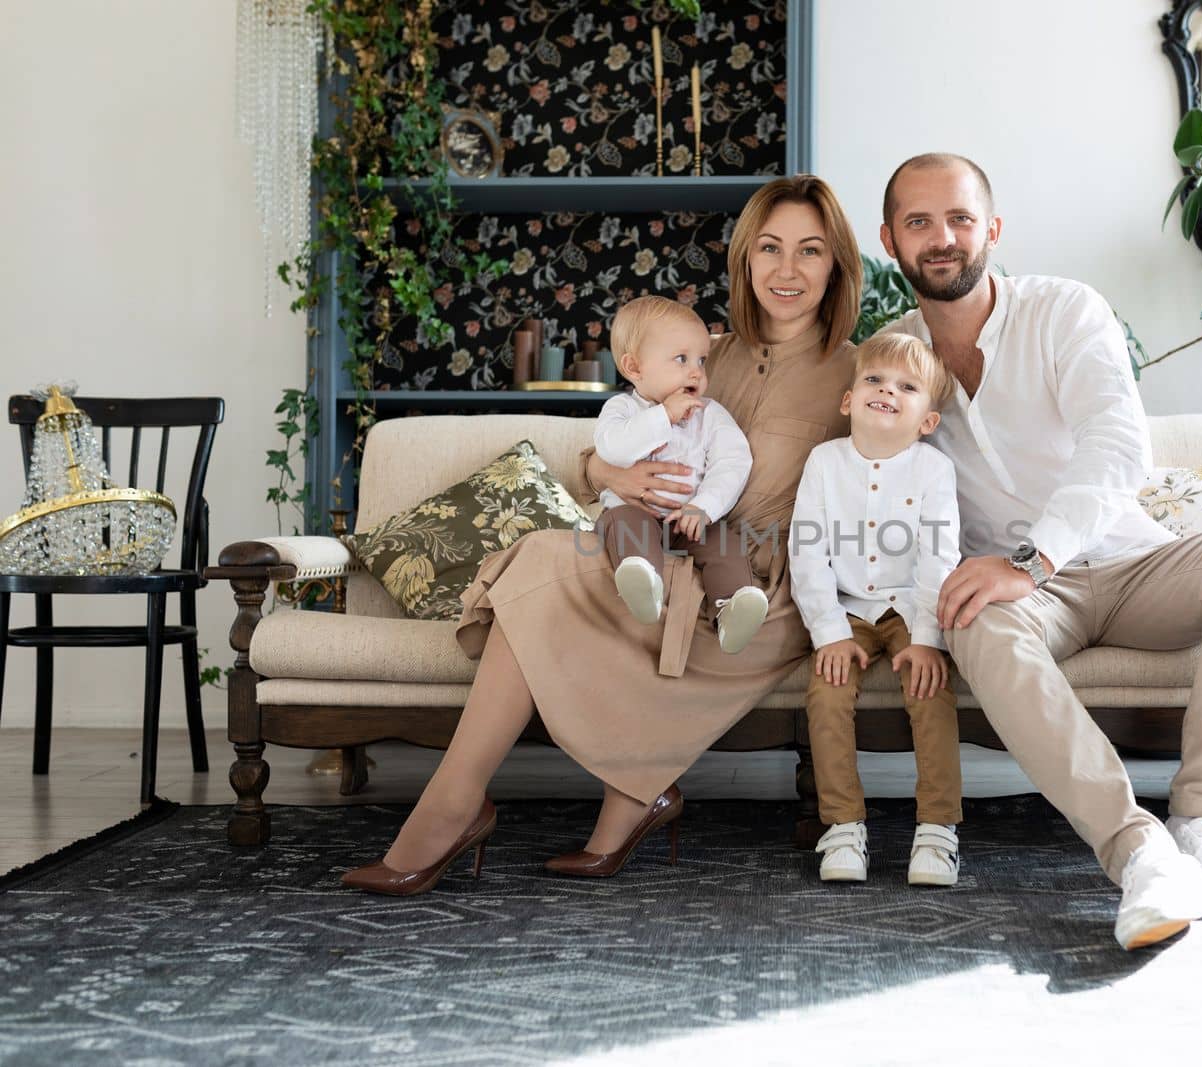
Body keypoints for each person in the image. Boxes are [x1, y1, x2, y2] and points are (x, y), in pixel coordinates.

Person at [342, 174, 863, 893]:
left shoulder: (860, 371)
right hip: (657, 550)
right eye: (769, 247)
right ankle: (464, 800)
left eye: (810, 250)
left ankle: (485, 808)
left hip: (757, 590)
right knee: (544, 562)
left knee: (544, 565)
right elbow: (612, 446)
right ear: (745, 258)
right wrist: (603, 470)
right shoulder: (699, 350)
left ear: (837, 262)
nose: (787, 269)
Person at [876, 153, 1202, 949]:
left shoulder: (1064, 311)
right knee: (971, 616)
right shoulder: (890, 359)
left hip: (1131, 563)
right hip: (1028, 598)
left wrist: (1031, 559)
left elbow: (1118, 445)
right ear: (891, 241)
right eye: (919, 222)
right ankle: (1139, 850)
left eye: (960, 218)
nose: (943, 238)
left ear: (992, 231)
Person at [788, 332, 963, 886]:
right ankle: (842, 826)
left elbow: (940, 557)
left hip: (912, 607)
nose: (887, 390)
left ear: (927, 421)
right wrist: (829, 633)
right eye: (874, 380)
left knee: (929, 691)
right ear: (849, 400)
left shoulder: (934, 470)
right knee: (826, 690)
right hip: (847, 609)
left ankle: (938, 830)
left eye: (907, 387)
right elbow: (807, 550)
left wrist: (927, 639)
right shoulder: (824, 462)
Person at [594, 295, 768, 654]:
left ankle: (731, 609)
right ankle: (645, 583)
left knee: (725, 544)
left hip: (690, 519)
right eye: (681, 359)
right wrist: (665, 417)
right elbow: (613, 449)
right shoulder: (622, 409)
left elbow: (733, 461)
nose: (696, 372)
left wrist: (704, 506)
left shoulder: (711, 414)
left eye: (701, 361)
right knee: (624, 525)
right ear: (634, 367)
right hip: (634, 512)